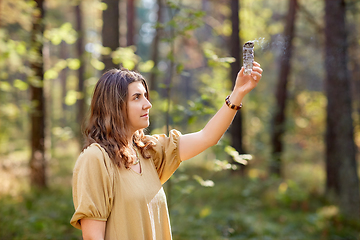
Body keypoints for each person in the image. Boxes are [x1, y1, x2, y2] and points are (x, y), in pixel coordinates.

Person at [70, 62, 263, 240]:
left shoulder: (147, 152)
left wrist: (238, 93)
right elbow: (93, 237)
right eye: (137, 97)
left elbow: (207, 137)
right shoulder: (96, 159)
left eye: (145, 95)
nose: (148, 104)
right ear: (114, 106)